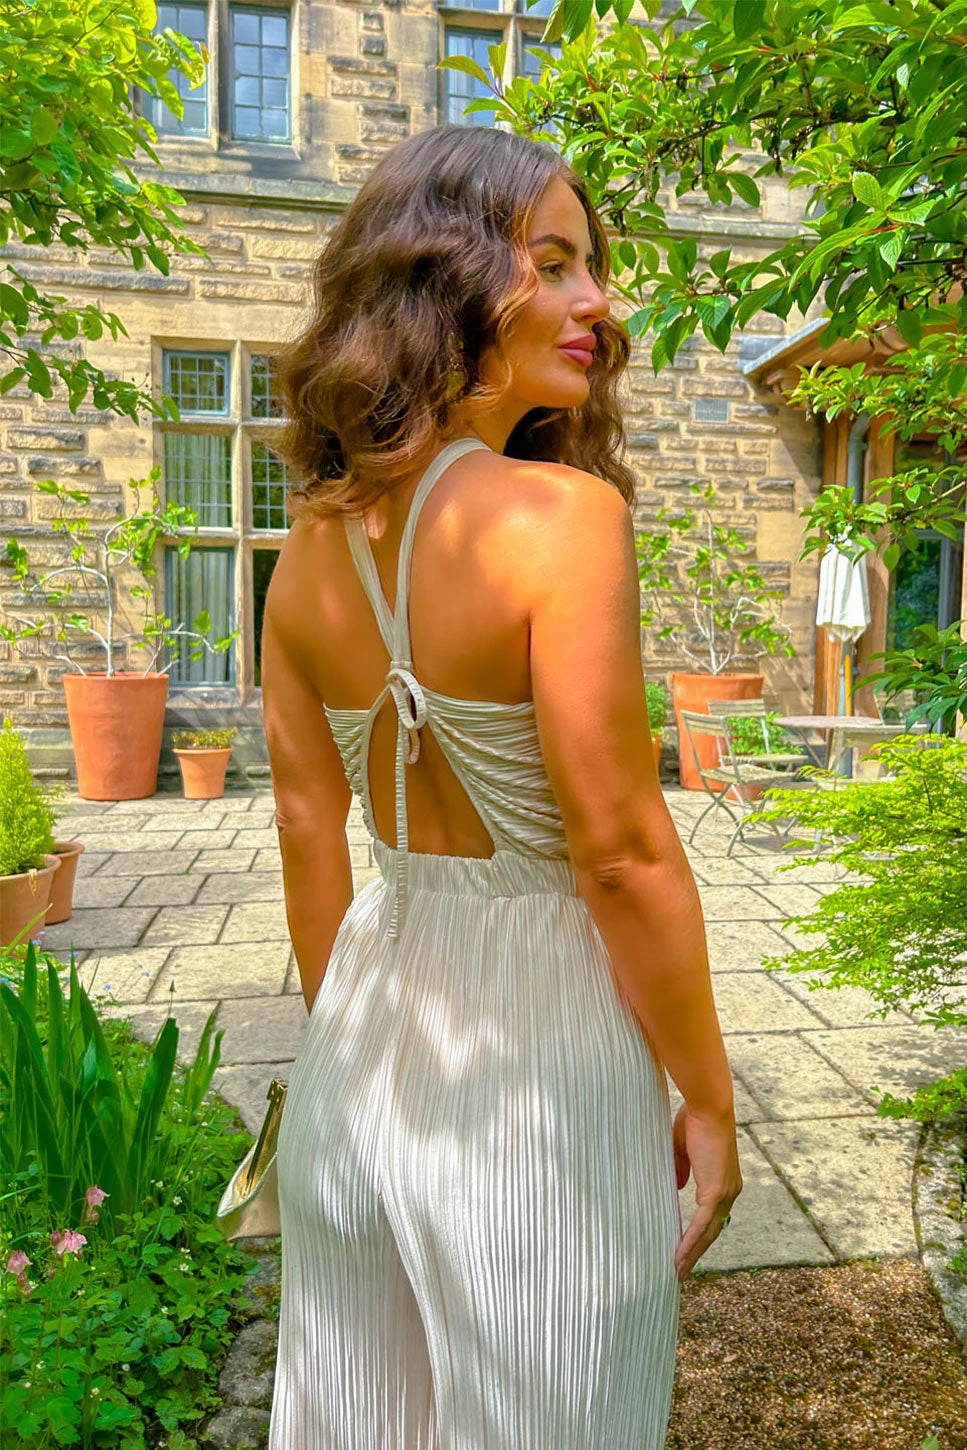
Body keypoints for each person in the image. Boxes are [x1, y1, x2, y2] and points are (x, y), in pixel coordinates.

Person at [261, 124, 741, 1450]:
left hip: (362, 1055)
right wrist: (707, 1097)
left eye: (592, 266)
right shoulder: (563, 522)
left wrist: (352, 1052)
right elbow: (620, 851)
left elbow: (306, 826)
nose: (600, 303)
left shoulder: (306, 554)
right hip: (537, 1072)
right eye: (556, 262)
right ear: (449, 279)